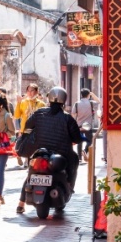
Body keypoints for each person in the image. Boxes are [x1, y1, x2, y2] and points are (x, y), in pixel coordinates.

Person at [16, 87, 83, 215]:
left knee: (31, 173)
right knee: (74, 160)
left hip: (38, 152)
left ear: (49, 99)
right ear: (64, 101)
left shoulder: (39, 113)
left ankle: (21, 203)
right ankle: (69, 185)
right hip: (61, 154)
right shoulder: (67, 118)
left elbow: (27, 126)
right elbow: (76, 138)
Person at [13, 83, 47, 167]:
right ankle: (25, 160)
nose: (30, 93)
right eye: (28, 91)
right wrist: (18, 103)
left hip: (37, 130)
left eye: (32, 91)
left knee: (35, 150)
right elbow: (16, 115)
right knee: (21, 148)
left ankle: (32, 165)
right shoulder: (23, 102)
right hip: (25, 130)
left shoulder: (41, 104)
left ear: (36, 91)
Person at [71, 88, 99, 160]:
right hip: (87, 125)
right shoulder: (91, 103)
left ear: (81, 95)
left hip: (79, 124)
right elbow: (98, 101)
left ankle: (79, 157)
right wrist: (93, 95)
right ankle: (85, 150)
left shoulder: (77, 103)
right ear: (88, 95)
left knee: (79, 141)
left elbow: (73, 114)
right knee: (90, 140)